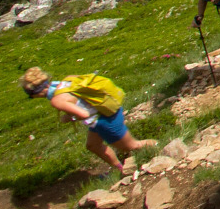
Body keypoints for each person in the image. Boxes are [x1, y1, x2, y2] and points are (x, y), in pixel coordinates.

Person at [20, 68, 153, 175]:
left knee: (130, 146)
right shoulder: (67, 80)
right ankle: (119, 169)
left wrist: (68, 118)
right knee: (92, 145)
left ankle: (160, 147)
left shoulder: (56, 100)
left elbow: (83, 114)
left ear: (35, 93)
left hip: (104, 120)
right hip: (106, 109)